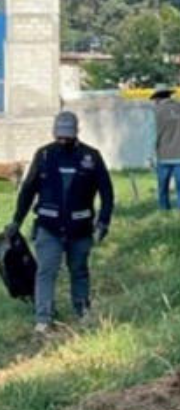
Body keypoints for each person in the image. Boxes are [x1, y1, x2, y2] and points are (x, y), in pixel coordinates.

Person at [4, 112, 114, 334]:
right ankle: (43, 318)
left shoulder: (91, 157)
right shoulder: (44, 156)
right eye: (60, 136)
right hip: (48, 227)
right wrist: (17, 220)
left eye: (68, 136)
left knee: (79, 270)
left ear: (76, 134)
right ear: (54, 133)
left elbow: (107, 193)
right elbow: (28, 190)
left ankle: (83, 311)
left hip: (80, 227)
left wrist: (103, 222)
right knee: (45, 271)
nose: (63, 141)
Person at [147, 84, 180, 211]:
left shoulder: (156, 112)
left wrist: (150, 157)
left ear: (157, 99)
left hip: (164, 157)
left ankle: (165, 211)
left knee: (163, 188)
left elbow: (152, 136)